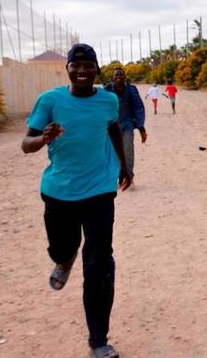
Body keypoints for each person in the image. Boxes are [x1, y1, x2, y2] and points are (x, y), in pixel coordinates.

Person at [21, 43, 132, 358]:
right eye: (76, 65)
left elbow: (111, 129)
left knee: (99, 262)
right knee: (62, 246)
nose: (82, 71)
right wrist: (43, 138)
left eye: (88, 65)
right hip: (59, 192)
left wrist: (124, 166)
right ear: (67, 68)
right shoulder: (50, 101)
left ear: (97, 69)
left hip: (99, 190)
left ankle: (99, 339)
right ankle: (64, 259)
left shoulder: (108, 100)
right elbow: (25, 144)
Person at [104, 67, 147, 185]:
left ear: (124, 76)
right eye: (116, 74)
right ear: (113, 77)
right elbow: (100, 106)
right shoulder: (107, 90)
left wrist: (141, 127)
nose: (119, 76)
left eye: (121, 74)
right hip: (111, 126)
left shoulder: (131, 90)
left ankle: (129, 176)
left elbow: (138, 107)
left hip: (127, 124)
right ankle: (118, 177)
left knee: (128, 150)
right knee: (114, 152)